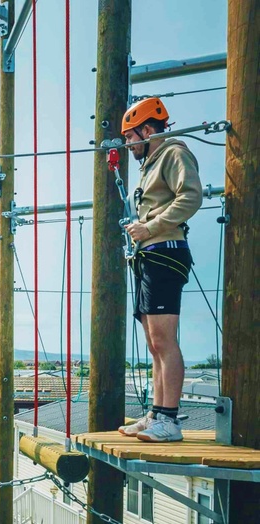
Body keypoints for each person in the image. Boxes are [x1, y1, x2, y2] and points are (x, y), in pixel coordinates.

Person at [115, 98, 203, 443]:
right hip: (149, 254)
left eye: (130, 137)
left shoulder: (173, 153)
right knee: (154, 343)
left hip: (165, 252)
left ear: (147, 130)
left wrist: (150, 226)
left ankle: (169, 419)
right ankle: (156, 413)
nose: (127, 144)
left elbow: (191, 196)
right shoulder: (151, 164)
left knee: (164, 340)